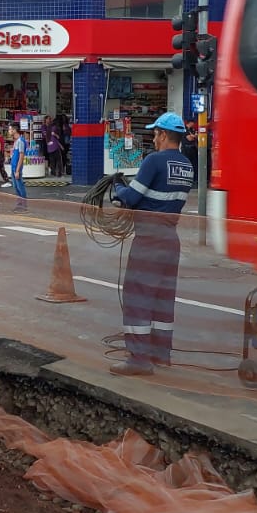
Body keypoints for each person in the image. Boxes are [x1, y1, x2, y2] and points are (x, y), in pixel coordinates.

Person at [109, 112, 196, 377]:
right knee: (162, 298)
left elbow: (132, 198)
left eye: (156, 133)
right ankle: (160, 354)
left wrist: (118, 189)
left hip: (149, 239)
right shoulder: (186, 165)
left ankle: (138, 359)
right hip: (171, 240)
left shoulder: (153, 161)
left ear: (164, 135)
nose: (154, 138)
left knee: (138, 296)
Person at [8, 126, 29, 213]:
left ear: (14, 130)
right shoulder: (16, 141)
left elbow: (21, 156)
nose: (9, 131)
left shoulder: (20, 141)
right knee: (16, 187)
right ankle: (19, 204)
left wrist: (17, 170)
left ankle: (23, 206)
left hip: (17, 167)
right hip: (13, 166)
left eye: (10, 129)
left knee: (20, 186)